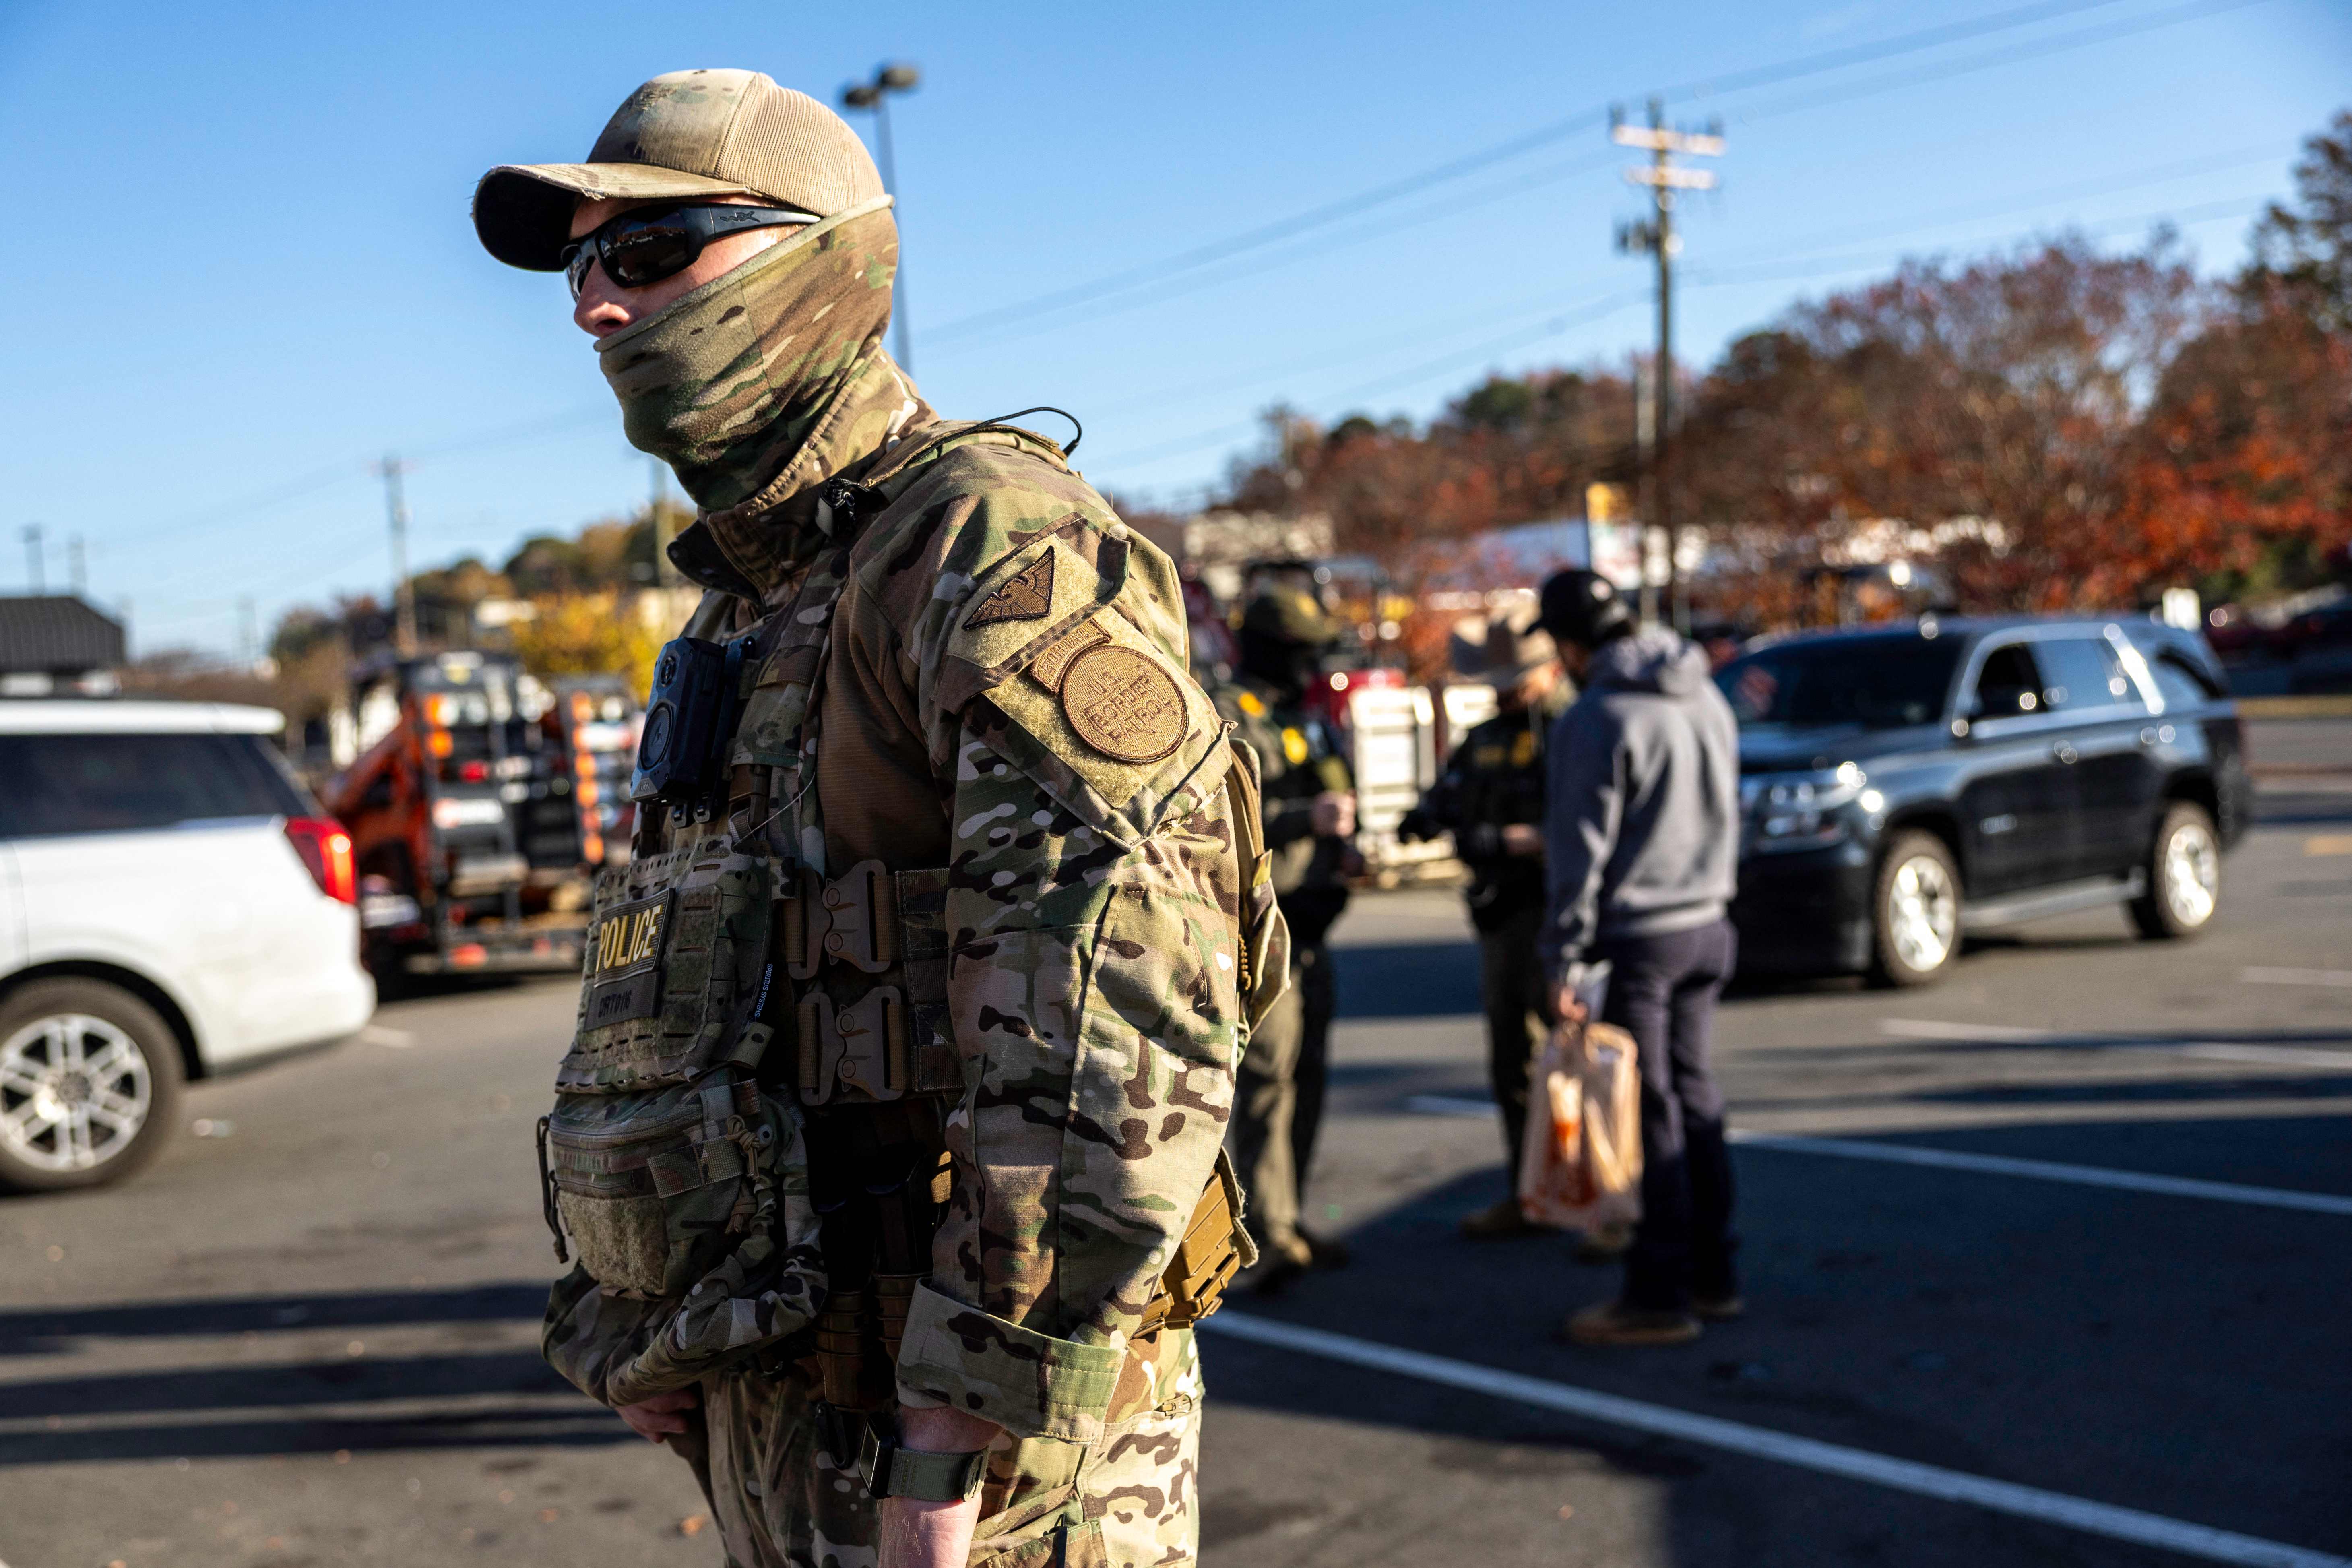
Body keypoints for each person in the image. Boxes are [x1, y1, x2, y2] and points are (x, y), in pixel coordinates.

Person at [478, 70, 1277, 1568]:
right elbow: (691, 988)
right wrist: (642, 1318)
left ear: (816, 253)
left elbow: (1125, 1020)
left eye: (648, 252)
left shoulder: (987, 543)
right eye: (583, 264)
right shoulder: (749, 597)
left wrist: (965, 1413)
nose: (596, 307)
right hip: (785, 1389)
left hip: (975, 1447)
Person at [1535, 569, 1743, 1348]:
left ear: (1572, 645)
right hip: (1710, 923)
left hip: (1643, 936)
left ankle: (1658, 1293)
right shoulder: (1706, 694)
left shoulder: (1597, 716)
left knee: (1650, 1114)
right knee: (1695, 1099)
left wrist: (1562, 957)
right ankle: (1716, 1276)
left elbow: (1577, 854)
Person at [1397, 605, 1584, 1241]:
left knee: (1576, 1063)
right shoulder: (1487, 734)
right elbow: (1449, 793)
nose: (1505, 690)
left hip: (1557, 913)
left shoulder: (1570, 728)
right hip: (1499, 917)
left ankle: (1595, 1196)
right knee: (1513, 1063)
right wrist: (1422, 817)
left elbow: (1579, 827)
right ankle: (1529, 1192)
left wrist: (1510, 841)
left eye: (1517, 678)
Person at [1211, 586, 1356, 1295]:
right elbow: (1223, 816)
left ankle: (1289, 1214)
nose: (1313, 669)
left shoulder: (1306, 716)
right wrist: (1307, 819)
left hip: (1317, 921)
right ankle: (1265, 1231)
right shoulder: (1230, 712)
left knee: (1310, 1074)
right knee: (1269, 1078)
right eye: (1302, 655)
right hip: (1266, 928)